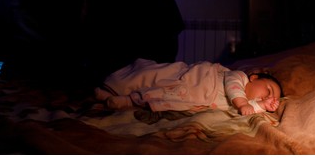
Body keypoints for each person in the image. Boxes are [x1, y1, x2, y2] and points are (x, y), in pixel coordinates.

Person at [94, 58, 283, 116]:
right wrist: (243, 103)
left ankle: (125, 101)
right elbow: (233, 88)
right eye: (268, 90)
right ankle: (115, 90)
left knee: (162, 98)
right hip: (195, 80)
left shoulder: (245, 104)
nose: (267, 96)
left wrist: (262, 106)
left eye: (271, 98)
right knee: (154, 78)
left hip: (193, 97)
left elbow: (247, 110)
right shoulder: (238, 77)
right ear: (254, 77)